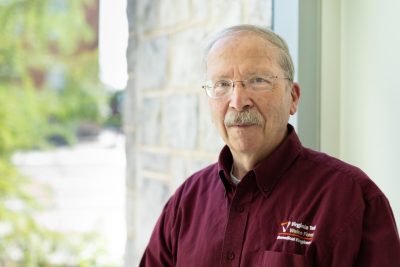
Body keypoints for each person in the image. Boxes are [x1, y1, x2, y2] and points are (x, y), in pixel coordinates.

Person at [139, 24, 400, 266]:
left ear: (293, 98)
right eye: (222, 85)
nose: (238, 101)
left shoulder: (352, 198)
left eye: (258, 81)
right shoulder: (186, 201)